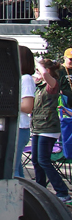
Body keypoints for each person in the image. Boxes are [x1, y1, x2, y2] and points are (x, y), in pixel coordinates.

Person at [30, 57, 72, 203]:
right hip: (37, 127)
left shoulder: (53, 84)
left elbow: (47, 77)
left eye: (38, 71)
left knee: (43, 160)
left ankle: (62, 192)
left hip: (49, 128)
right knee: (36, 160)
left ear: (46, 71)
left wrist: (38, 63)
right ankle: (40, 189)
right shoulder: (39, 86)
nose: (36, 73)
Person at [16, 46, 36, 178]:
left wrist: (8, 103)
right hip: (17, 127)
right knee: (16, 167)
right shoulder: (20, 78)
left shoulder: (26, 79)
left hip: (20, 128)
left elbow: (28, 107)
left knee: (12, 168)